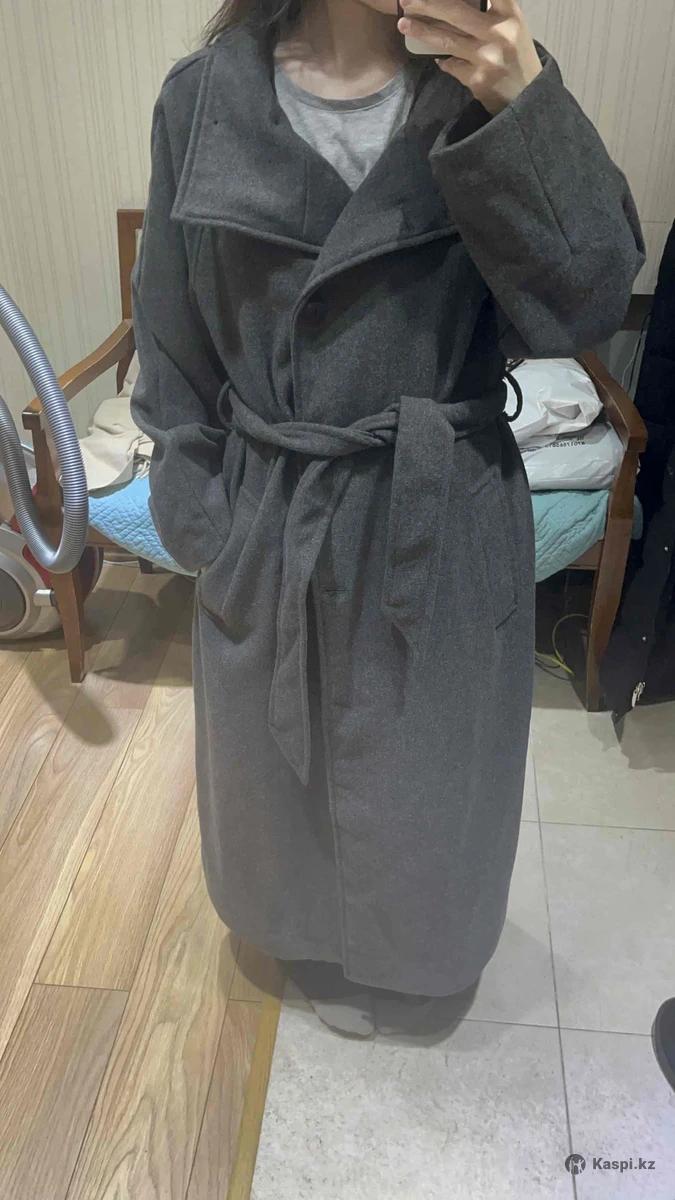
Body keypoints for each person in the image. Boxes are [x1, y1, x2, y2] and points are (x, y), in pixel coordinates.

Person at [130, 0, 645, 1036]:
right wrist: (206, 518)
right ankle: (308, 938)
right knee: (279, 777)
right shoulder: (206, 97)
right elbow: (171, 334)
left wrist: (521, 109)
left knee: (432, 779)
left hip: (437, 512)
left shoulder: (489, 87)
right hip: (272, 508)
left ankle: (421, 956)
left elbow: (588, 303)